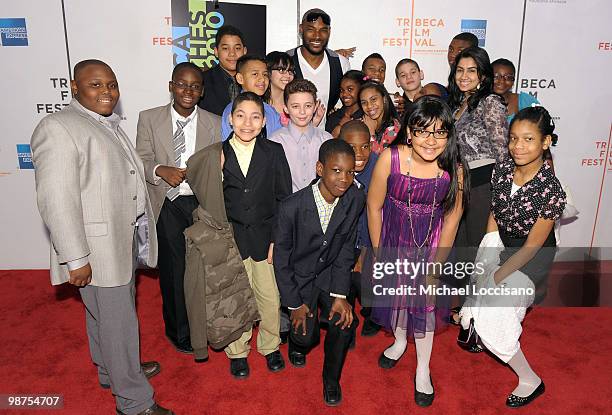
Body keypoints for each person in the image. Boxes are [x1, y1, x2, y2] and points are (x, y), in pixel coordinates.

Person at [31, 59, 173, 415]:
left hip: (117, 241)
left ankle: (112, 372)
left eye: (111, 85)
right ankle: (134, 402)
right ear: (74, 87)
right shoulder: (59, 127)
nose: (106, 92)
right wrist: (75, 258)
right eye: (95, 85)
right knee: (119, 323)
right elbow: (56, 199)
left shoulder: (103, 123)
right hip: (95, 249)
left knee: (105, 317)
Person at [459, 106, 566, 408]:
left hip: (531, 258)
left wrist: (497, 274)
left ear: (545, 142)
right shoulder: (504, 167)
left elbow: (532, 247)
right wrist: (488, 250)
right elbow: (495, 211)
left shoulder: (551, 189)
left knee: (496, 314)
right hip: (502, 241)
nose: (518, 146)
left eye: (529, 139)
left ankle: (531, 379)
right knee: (479, 282)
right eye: (514, 138)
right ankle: (479, 325)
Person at [367, 96, 468, 407]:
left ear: (449, 135)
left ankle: (422, 368)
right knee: (396, 296)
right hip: (393, 239)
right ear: (408, 131)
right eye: (423, 131)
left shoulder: (455, 169)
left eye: (440, 133)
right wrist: (379, 253)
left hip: (430, 246)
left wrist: (435, 269)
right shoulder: (391, 158)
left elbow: (451, 222)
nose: (431, 140)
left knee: (423, 306)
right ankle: (398, 341)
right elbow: (373, 206)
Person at [136, 62, 221, 354]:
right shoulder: (148, 118)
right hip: (167, 201)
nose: (188, 90)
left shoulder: (215, 122)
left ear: (202, 91)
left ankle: (206, 325)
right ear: (171, 86)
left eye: (195, 86)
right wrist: (161, 169)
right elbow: (140, 160)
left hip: (199, 203)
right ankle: (179, 332)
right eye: (182, 84)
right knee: (174, 272)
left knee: (204, 270)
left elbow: (218, 167)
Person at [274, 139, 365, 407]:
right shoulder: (291, 206)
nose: (344, 179)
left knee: (344, 321)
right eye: (336, 171)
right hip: (299, 280)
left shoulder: (354, 198)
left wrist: (339, 294)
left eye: (350, 172)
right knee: (306, 336)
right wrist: (294, 304)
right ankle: (297, 344)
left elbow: (347, 247)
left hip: (329, 276)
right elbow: (281, 260)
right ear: (319, 169)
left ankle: (331, 379)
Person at [221, 92, 292, 378]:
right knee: (236, 298)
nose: (247, 123)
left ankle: (270, 345)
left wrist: (278, 239)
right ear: (230, 119)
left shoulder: (273, 152)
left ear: (264, 122)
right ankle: (237, 351)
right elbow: (213, 201)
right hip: (232, 239)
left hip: (265, 238)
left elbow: (283, 199)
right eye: (240, 116)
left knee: (269, 297)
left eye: (254, 117)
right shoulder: (217, 153)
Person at [447, 46, 508, 323]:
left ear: (483, 75)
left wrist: (502, 194)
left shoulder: (490, 102)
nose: (464, 75)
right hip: (460, 184)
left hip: (484, 185)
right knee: (462, 247)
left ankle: (476, 313)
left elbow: (502, 151)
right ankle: (466, 307)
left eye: (471, 70)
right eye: (460, 70)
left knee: (477, 250)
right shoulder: (460, 103)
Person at [338, 120, 381, 338]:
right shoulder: (336, 166)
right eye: (352, 147)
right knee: (345, 283)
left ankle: (372, 314)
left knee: (370, 283)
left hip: (371, 237)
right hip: (344, 239)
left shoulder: (379, 166)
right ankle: (349, 321)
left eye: (365, 146)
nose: (359, 153)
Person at [287, 8, 350, 128]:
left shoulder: (340, 63)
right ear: (301, 29)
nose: (317, 36)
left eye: (323, 30)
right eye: (311, 30)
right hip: (291, 140)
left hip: (328, 140)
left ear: (329, 31)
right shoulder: (286, 61)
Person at [269, 79, 332, 192]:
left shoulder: (326, 139)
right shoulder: (275, 141)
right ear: (286, 108)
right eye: (295, 106)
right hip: (286, 205)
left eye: (307, 106)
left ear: (316, 105)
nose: (302, 112)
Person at [221, 55, 282, 140]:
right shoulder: (233, 109)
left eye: (265, 75)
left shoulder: (270, 111)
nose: (262, 79)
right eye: (255, 74)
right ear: (240, 78)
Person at [198, 25, 246, 116]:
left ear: (244, 51)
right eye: (225, 48)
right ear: (216, 51)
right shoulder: (203, 81)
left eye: (237, 48)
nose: (232, 53)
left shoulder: (254, 80)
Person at [491, 58, 540, 122]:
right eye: (496, 76)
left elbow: (540, 128)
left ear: (513, 80)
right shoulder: (479, 102)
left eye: (508, 77)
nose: (502, 81)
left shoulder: (525, 101)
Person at [359, 80, 400, 154]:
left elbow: (380, 159)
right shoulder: (362, 122)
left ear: (384, 99)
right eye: (364, 102)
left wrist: (371, 133)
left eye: (373, 99)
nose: (369, 106)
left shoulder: (393, 128)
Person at [325, 70, 365, 137]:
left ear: (361, 89)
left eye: (350, 89)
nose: (344, 94)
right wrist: (340, 126)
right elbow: (328, 143)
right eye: (342, 90)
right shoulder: (333, 117)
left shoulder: (366, 115)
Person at [265, 51, 295, 126]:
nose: (288, 75)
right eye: (281, 70)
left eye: (290, 71)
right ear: (268, 71)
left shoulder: (296, 104)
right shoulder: (259, 106)